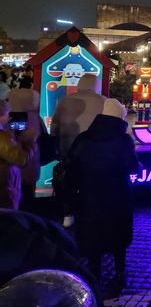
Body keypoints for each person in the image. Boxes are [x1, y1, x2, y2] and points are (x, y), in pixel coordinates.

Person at [66, 98, 139, 295]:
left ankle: (94, 275)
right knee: (118, 239)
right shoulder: (123, 140)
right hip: (117, 197)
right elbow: (132, 167)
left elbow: (71, 169)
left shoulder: (83, 138)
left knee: (93, 240)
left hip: (89, 197)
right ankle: (119, 274)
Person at [51, 74, 106, 227]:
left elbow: (54, 127)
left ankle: (68, 214)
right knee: (92, 183)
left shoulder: (65, 100)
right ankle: (91, 214)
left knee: (70, 182)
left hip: (69, 150)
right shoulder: (103, 101)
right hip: (94, 152)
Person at [0, 101, 37, 209]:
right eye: (7, 113)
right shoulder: (2, 138)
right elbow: (21, 159)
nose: (9, 117)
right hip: (4, 188)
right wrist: (29, 141)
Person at [8, 89, 41, 208]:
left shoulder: (6, 116)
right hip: (30, 158)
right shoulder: (34, 117)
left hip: (10, 161)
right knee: (27, 192)